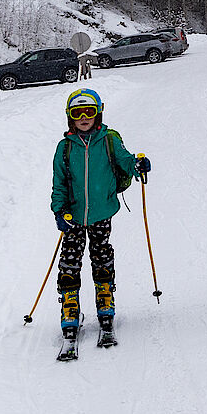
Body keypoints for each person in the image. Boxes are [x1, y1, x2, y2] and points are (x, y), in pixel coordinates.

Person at [50, 89, 150, 340]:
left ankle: (105, 297)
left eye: (89, 112)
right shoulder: (64, 148)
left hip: (102, 212)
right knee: (70, 259)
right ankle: (70, 303)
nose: (84, 117)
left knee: (101, 253)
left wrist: (137, 166)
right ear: (70, 118)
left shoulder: (108, 141)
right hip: (72, 215)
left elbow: (126, 161)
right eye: (77, 113)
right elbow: (59, 183)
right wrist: (58, 211)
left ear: (98, 114)